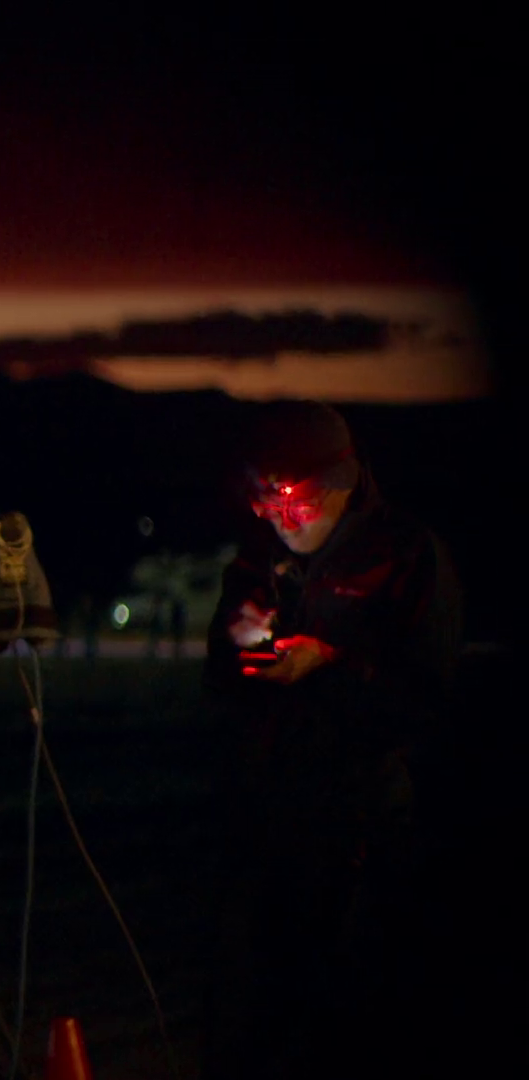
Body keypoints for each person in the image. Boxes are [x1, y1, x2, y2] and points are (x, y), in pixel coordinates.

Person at [200, 400, 460, 1079]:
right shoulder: (259, 560)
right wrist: (240, 648)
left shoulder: (406, 555)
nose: (282, 521)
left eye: (296, 503)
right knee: (246, 1022)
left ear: (343, 483)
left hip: (361, 834)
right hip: (261, 827)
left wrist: (329, 665)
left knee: (348, 1021)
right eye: (266, 504)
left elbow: (427, 701)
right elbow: (218, 680)